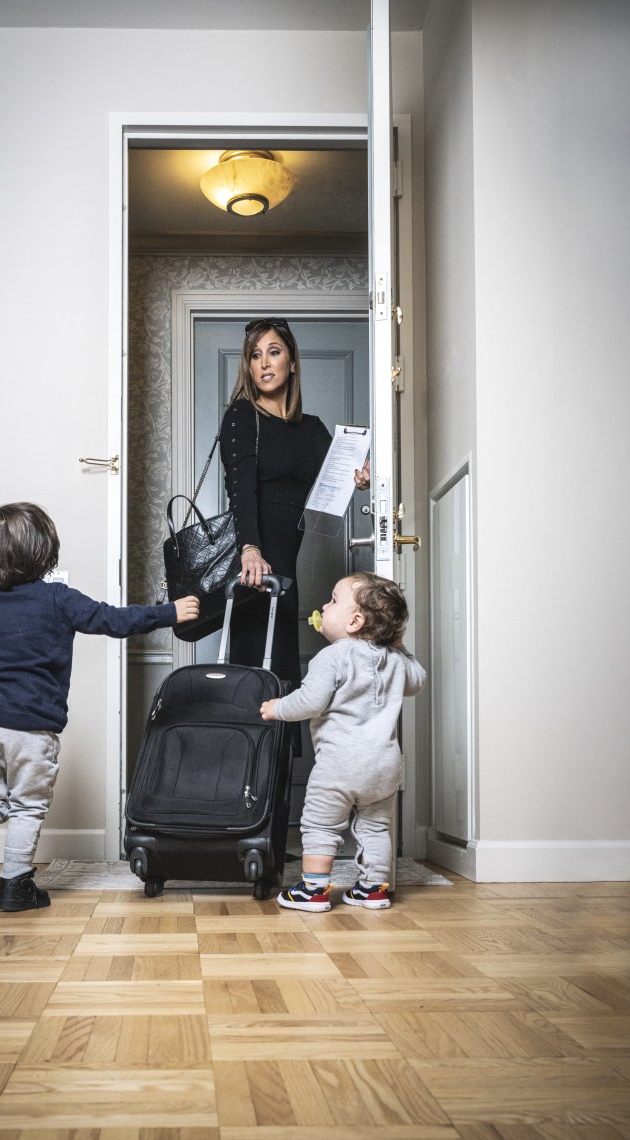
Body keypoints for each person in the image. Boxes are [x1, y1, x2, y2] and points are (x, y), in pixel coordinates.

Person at [0, 501, 199, 914]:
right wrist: (169, 612)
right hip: (31, 728)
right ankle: (14, 886)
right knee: (27, 805)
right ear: (45, 555)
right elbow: (113, 620)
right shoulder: (57, 598)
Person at [260, 572, 426, 912]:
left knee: (321, 822)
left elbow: (309, 702)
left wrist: (277, 708)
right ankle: (373, 889)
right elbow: (417, 680)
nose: (324, 606)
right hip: (384, 766)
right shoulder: (395, 661)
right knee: (376, 825)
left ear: (355, 621)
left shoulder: (334, 656)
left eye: (333, 600)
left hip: (340, 765)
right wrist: (398, 646)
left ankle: (314, 890)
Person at [219, 318, 332, 693]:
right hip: (255, 566)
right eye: (255, 355)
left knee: (282, 672)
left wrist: (360, 477)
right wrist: (249, 549)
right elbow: (240, 487)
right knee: (255, 675)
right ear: (249, 368)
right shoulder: (242, 416)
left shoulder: (312, 429)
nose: (264, 363)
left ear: (292, 362)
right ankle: (251, 752)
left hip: (287, 565)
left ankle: (279, 754)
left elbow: (337, 481)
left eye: (274, 352)